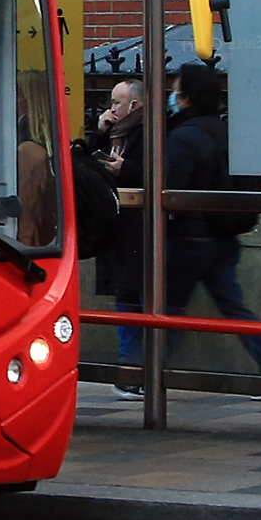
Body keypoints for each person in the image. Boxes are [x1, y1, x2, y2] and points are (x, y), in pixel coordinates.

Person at [161, 63, 261, 383]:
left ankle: (145, 372)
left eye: (175, 92)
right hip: (223, 237)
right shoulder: (227, 132)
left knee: (169, 311)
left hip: (189, 239)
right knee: (234, 308)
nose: (172, 98)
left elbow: (171, 190)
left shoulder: (183, 137)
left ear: (186, 98)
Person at [93, 78, 149, 395]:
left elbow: (151, 172)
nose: (112, 109)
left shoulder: (148, 132)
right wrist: (99, 131)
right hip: (116, 227)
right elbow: (84, 160)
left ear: (135, 105)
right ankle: (133, 368)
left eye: (117, 103)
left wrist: (123, 169)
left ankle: (133, 369)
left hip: (137, 230)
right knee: (127, 298)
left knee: (131, 299)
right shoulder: (114, 132)